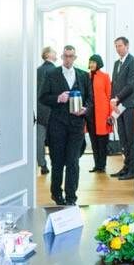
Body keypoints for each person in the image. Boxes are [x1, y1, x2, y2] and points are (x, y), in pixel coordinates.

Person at [39, 44, 93, 206]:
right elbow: (42, 97)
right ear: (62, 57)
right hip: (57, 124)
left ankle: (71, 197)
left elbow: (91, 99)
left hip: (76, 125)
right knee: (57, 161)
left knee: (73, 162)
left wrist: (85, 109)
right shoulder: (52, 74)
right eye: (65, 56)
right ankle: (56, 194)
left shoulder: (83, 76)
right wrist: (58, 98)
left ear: (75, 58)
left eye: (71, 56)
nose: (68, 59)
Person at [110, 36, 134, 179]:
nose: (117, 48)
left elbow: (131, 85)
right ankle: (125, 167)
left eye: (120, 46)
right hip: (118, 107)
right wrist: (112, 100)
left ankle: (132, 169)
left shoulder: (133, 61)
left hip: (129, 106)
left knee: (130, 139)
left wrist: (118, 98)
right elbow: (114, 84)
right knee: (123, 138)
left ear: (127, 46)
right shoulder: (116, 63)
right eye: (116, 46)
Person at [86, 54, 112, 174]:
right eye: (90, 62)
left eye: (94, 62)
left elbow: (109, 95)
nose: (91, 64)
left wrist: (110, 114)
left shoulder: (105, 76)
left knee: (102, 140)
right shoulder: (86, 76)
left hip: (102, 113)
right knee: (93, 140)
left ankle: (102, 165)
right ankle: (97, 164)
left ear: (98, 63)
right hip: (90, 114)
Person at [35, 46, 57, 176]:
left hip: (39, 109)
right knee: (55, 139)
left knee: (40, 138)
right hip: (53, 109)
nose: (56, 53)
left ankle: (42, 165)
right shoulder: (55, 71)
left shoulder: (37, 71)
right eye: (54, 52)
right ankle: (56, 163)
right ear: (48, 54)